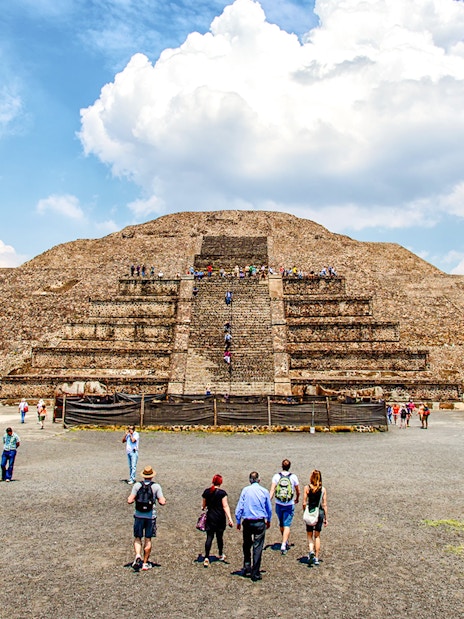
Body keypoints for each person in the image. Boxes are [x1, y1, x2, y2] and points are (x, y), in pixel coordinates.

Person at [235, 471, 272, 582]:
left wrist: (238, 520)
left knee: (246, 544)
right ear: (259, 479)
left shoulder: (245, 490)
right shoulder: (264, 491)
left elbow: (240, 506)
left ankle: (247, 566)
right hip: (260, 521)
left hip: (247, 521)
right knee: (258, 547)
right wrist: (268, 519)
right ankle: (255, 572)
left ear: (250, 480)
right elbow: (268, 508)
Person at [127, 465, 166, 571]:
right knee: (148, 539)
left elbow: (130, 500)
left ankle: (137, 555)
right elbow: (162, 501)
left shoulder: (137, 485)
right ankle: (145, 563)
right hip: (150, 516)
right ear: (152, 476)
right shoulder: (156, 487)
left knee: (137, 538)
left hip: (138, 516)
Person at [201, 474, 234, 567]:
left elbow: (204, 505)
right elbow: (225, 506)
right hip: (220, 518)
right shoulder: (222, 493)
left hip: (210, 517)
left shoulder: (207, 492)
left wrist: (203, 508)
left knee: (209, 537)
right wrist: (230, 518)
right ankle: (220, 554)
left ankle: (206, 557)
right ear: (220, 482)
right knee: (219, 537)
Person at [269, 459, 300, 555]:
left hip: (279, 503)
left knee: (281, 523)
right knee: (287, 524)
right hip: (289, 503)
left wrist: (268, 500)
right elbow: (297, 490)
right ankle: (284, 543)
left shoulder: (276, 476)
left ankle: (284, 540)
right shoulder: (293, 477)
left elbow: (272, 490)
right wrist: (297, 498)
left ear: (282, 466)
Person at [303, 470, 328, 566]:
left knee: (309, 534)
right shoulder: (323, 489)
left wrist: (305, 511)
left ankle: (311, 550)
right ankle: (317, 558)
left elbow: (304, 502)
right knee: (317, 535)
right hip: (319, 512)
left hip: (310, 511)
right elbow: (325, 504)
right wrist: (326, 518)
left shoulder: (307, 488)